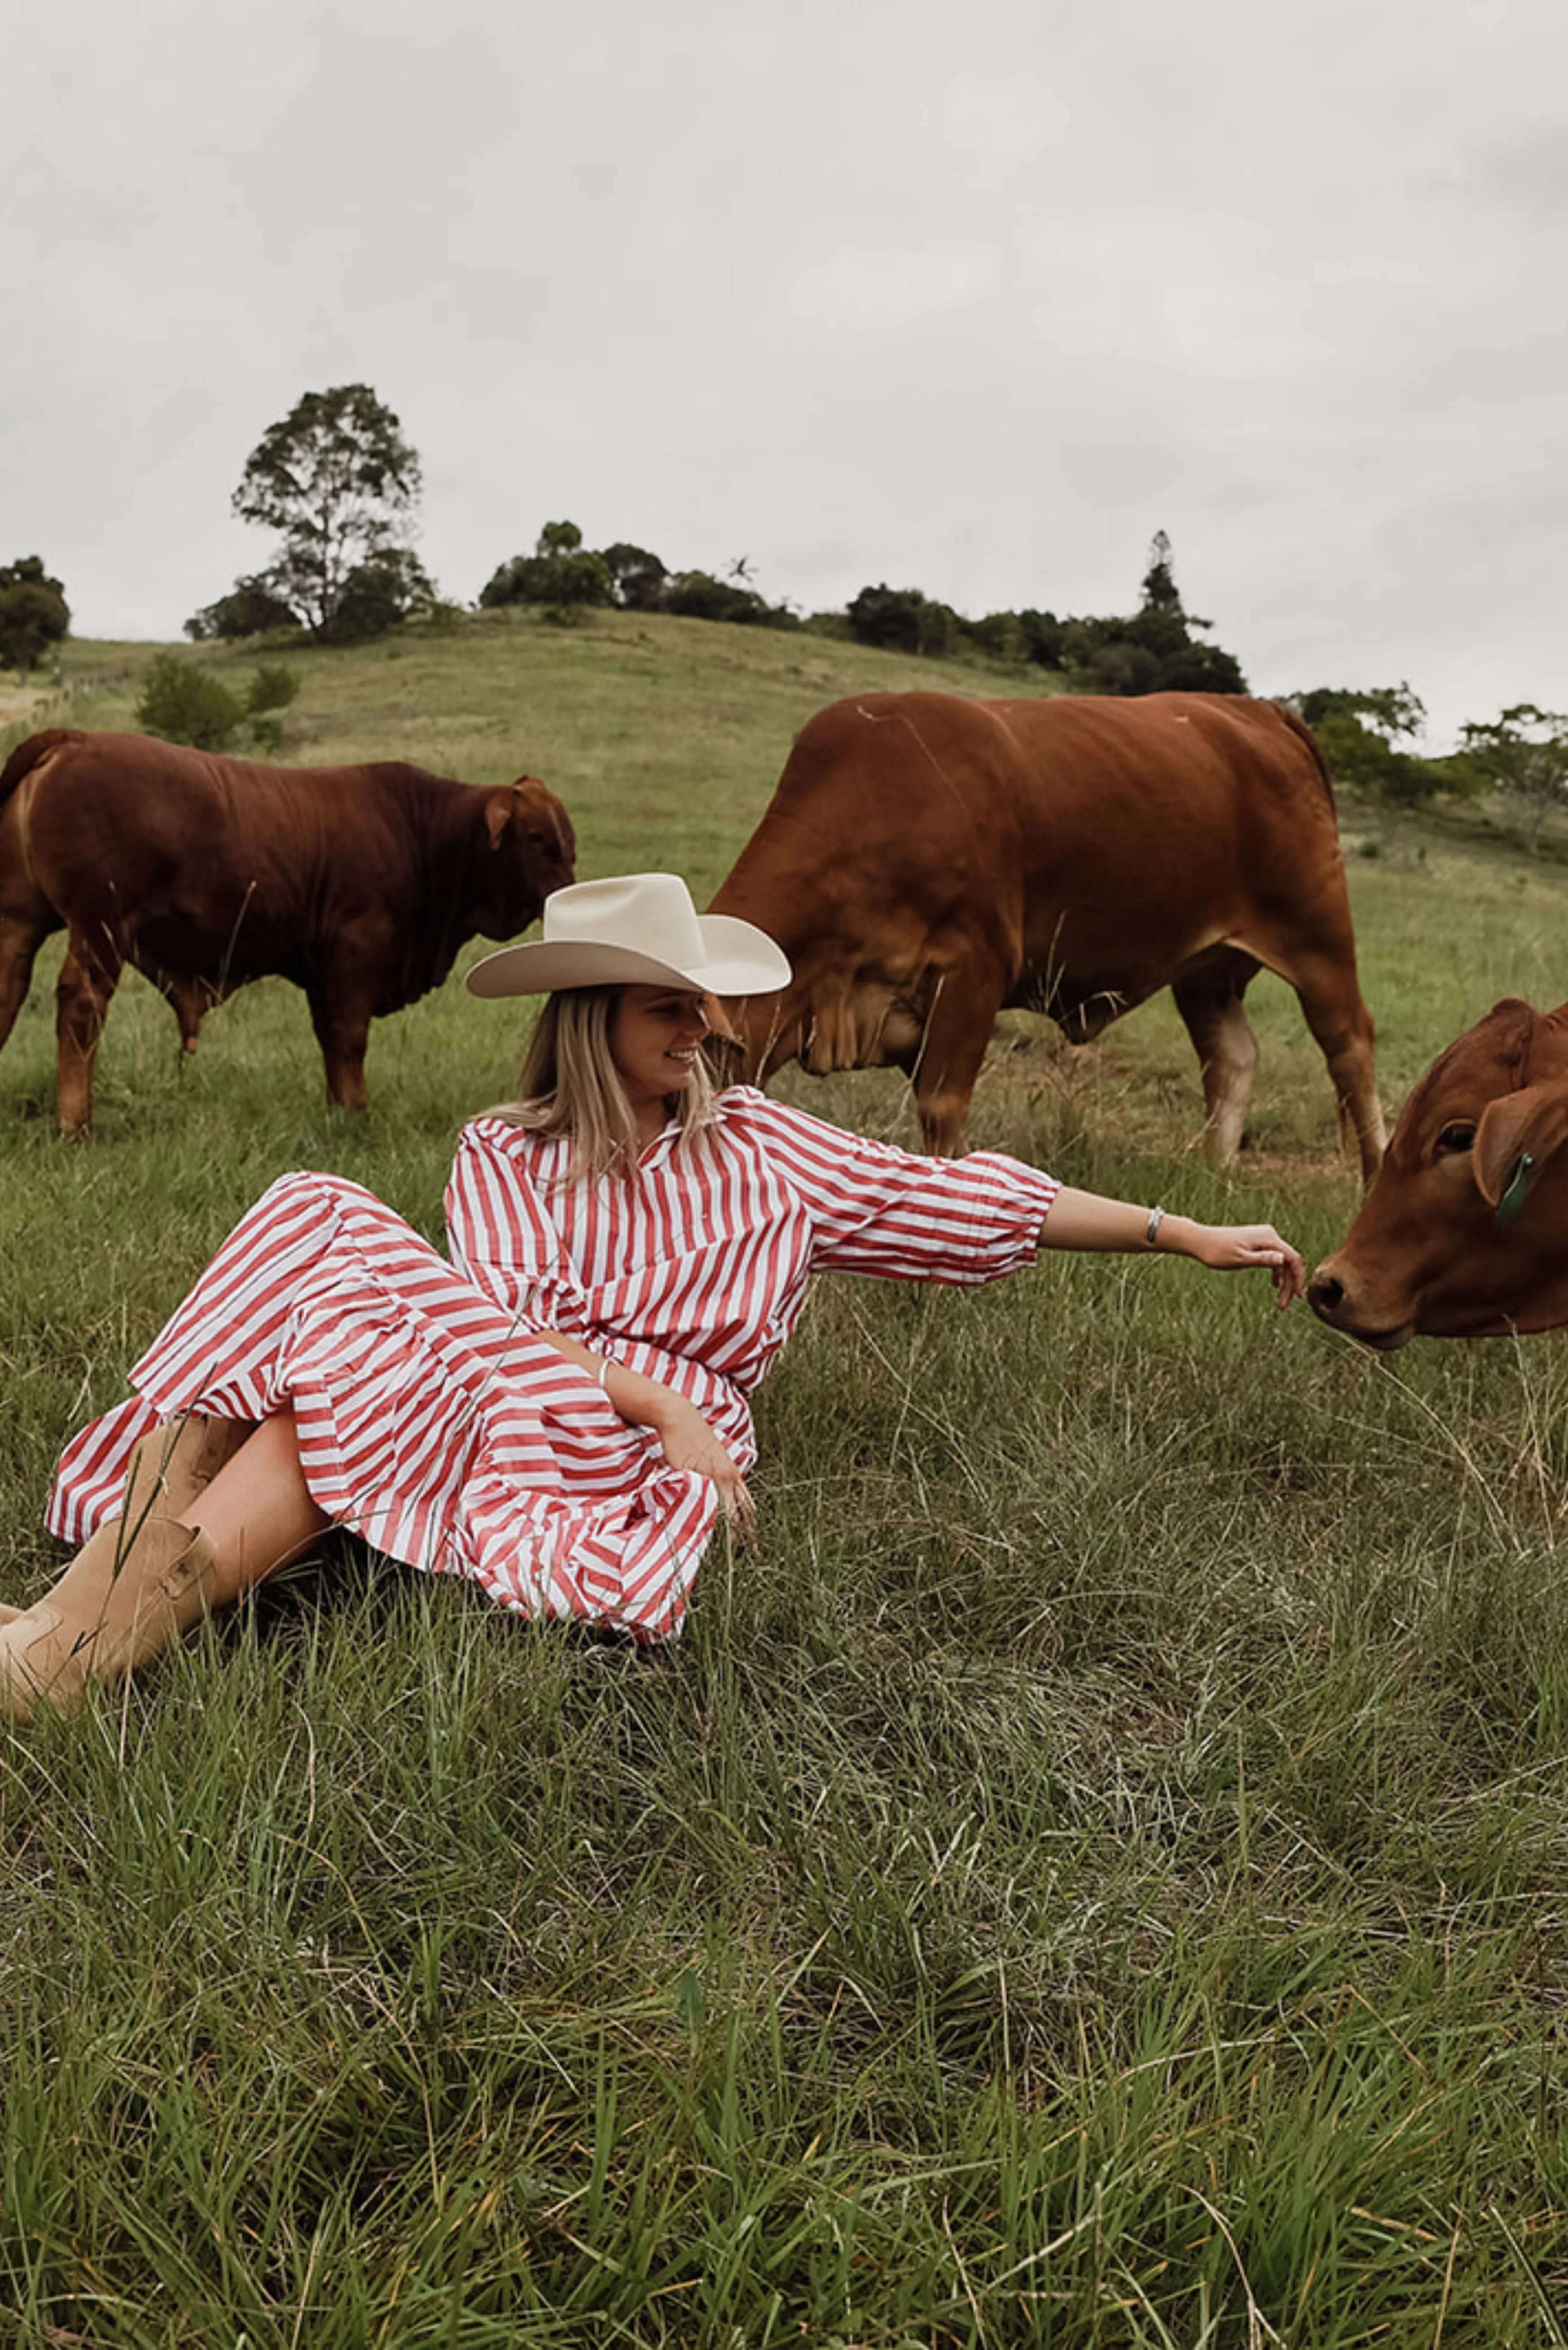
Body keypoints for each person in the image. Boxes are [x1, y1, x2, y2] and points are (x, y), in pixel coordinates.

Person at [0, 873, 1306, 1720]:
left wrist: (1176, 1228)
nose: (704, 1029)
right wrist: (637, 1397)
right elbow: (511, 1331)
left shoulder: (767, 1152)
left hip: (627, 1449)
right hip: (520, 1392)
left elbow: (963, 1200)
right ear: (586, 1016)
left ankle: (66, 1642)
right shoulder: (500, 1150)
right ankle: (81, 1642)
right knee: (324, 1337)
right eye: (667, 1007)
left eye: (704, 1005)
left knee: (318, 1223)